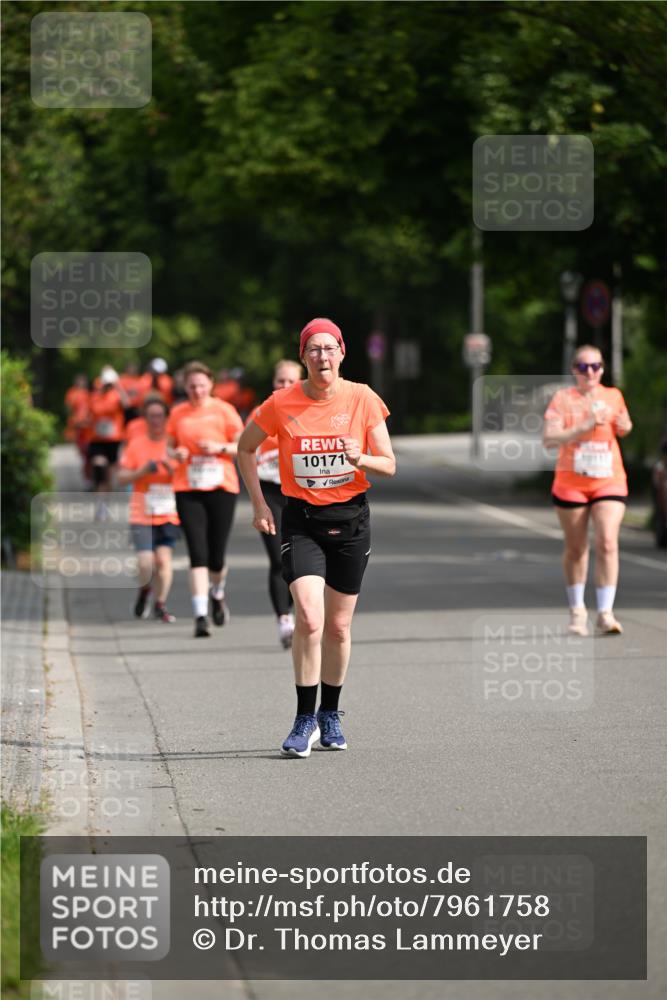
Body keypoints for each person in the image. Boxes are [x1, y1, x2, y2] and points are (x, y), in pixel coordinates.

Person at [238, 318, 396, 758]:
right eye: (313, 350)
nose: (322, 357)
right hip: (302, 520)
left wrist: (359, 455)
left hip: (350, 522)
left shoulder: (362, 398)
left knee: (339, 627)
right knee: (309, 619)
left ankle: (330, 712)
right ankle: (303, 717)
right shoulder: (281, 402)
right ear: (303, 356)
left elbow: (389, 464)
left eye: (329, 349)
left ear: (342, 353)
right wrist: (259, 504)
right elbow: (245, 448)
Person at [543, 344, 633, 635]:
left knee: (607, 541)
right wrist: (584, 426)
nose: (590, 372)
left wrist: (625, 425)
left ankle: (605, 612)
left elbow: (623, 427)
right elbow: (550, 439)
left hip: (609, 479)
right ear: (574, 371)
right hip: (571, 483)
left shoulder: (613, 395)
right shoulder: (562, 399)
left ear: (603, 369)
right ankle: (577, 610)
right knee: (577, 548)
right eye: (583, 367)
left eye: (595, 366)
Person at [166, 361, 244, 637]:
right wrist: (176, 455)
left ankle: (218, 593)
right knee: (197, 553)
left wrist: (219, 447)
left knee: (216, 556)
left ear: (210, 383)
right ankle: (200, 615)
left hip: (222, 486)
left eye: (201, 385)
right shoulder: (177, 412)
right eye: (191, 386)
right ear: (184, 387)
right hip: (188, 487)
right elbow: (169, 446)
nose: (197, 390)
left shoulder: (225, 410)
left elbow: (243, 446)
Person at [245, 359, 303, 650]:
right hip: (271, 491)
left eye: (290, 381)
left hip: (303, 492)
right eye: (280, 381)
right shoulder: (262, 412)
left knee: (300, 559)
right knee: (278, 557)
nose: (284, 386)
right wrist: (257, 502)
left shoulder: (309, 411)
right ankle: (284, 619)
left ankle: (302, 611)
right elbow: (243, 448)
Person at [117, 398, 180, 623]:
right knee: (146, 563)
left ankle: (160, 604)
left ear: (166, 418)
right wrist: (142, 471)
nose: (155, 420)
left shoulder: (173, 445)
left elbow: (185, 476)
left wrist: (171, 468)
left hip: (168, 512)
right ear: (145, 419)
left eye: (159, 416)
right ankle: (145, 590)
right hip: (141, 512)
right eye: (151, 416)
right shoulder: (136, 444)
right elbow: (121, 477)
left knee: (163, 561)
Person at [87, 367, 128, 504]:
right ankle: (100, 497)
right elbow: (89, 415)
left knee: (109, 474)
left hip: (113, 439)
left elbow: (127, 404)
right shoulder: (94, 396)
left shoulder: (116, 395)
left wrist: (118, 386)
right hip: (97, 439)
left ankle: (105, 500)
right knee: (99, 467)